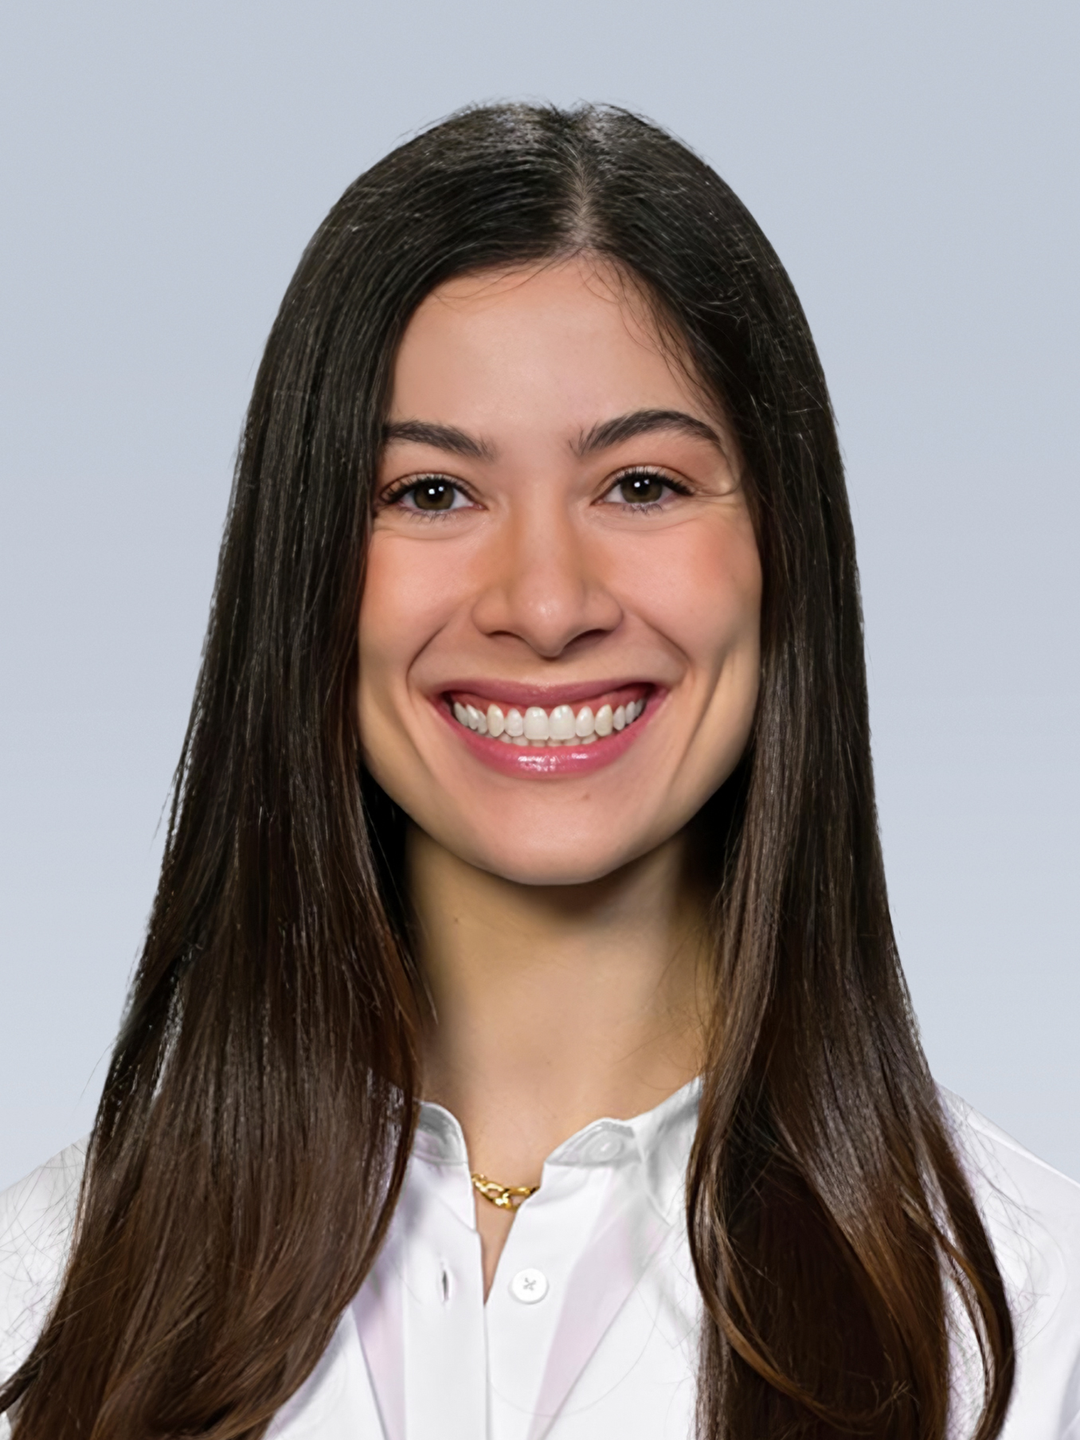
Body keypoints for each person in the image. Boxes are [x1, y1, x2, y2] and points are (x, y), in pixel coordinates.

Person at [1, 102, 1077, 1440]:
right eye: (431, 493)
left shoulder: (1030, 1322)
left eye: (642, 485)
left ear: (783, 552)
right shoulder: (42, 1304)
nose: (548, 605)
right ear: (305, 573)